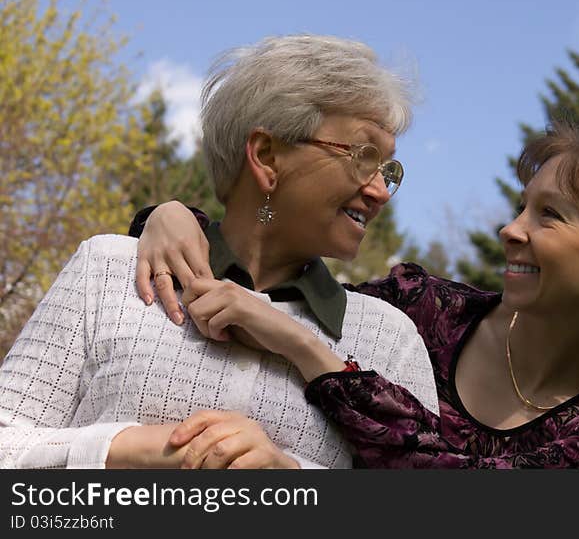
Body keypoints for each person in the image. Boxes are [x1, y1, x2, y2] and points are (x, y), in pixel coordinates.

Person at [131, 122, 579, 468]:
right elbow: (272, 294)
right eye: (522, 206)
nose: (511, 229)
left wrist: (308, 351)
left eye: (549, 216)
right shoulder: (421, 307)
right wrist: (178, 218)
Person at [0, 34, 438, 469]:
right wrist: (132, 451)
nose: (381, 191)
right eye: (363, 155)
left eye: (388, 168)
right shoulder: (108, 269)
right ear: (267, 156)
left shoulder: (390, 339)